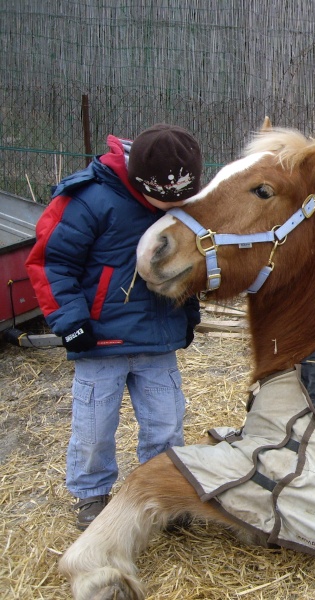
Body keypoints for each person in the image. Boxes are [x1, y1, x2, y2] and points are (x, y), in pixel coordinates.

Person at [25, 124, 203, 530]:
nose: (172, 207)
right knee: (94, 430)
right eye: (164, 198)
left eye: (182, 198)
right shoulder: (90, 199)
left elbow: (186, 268)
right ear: (140, 180)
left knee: (166, 423)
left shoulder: (179, 203)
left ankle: (162, 492)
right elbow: (50, 262)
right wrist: (69, 323)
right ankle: (91, 496)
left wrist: (188, 317)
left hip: (157, 341)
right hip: (99, 340)